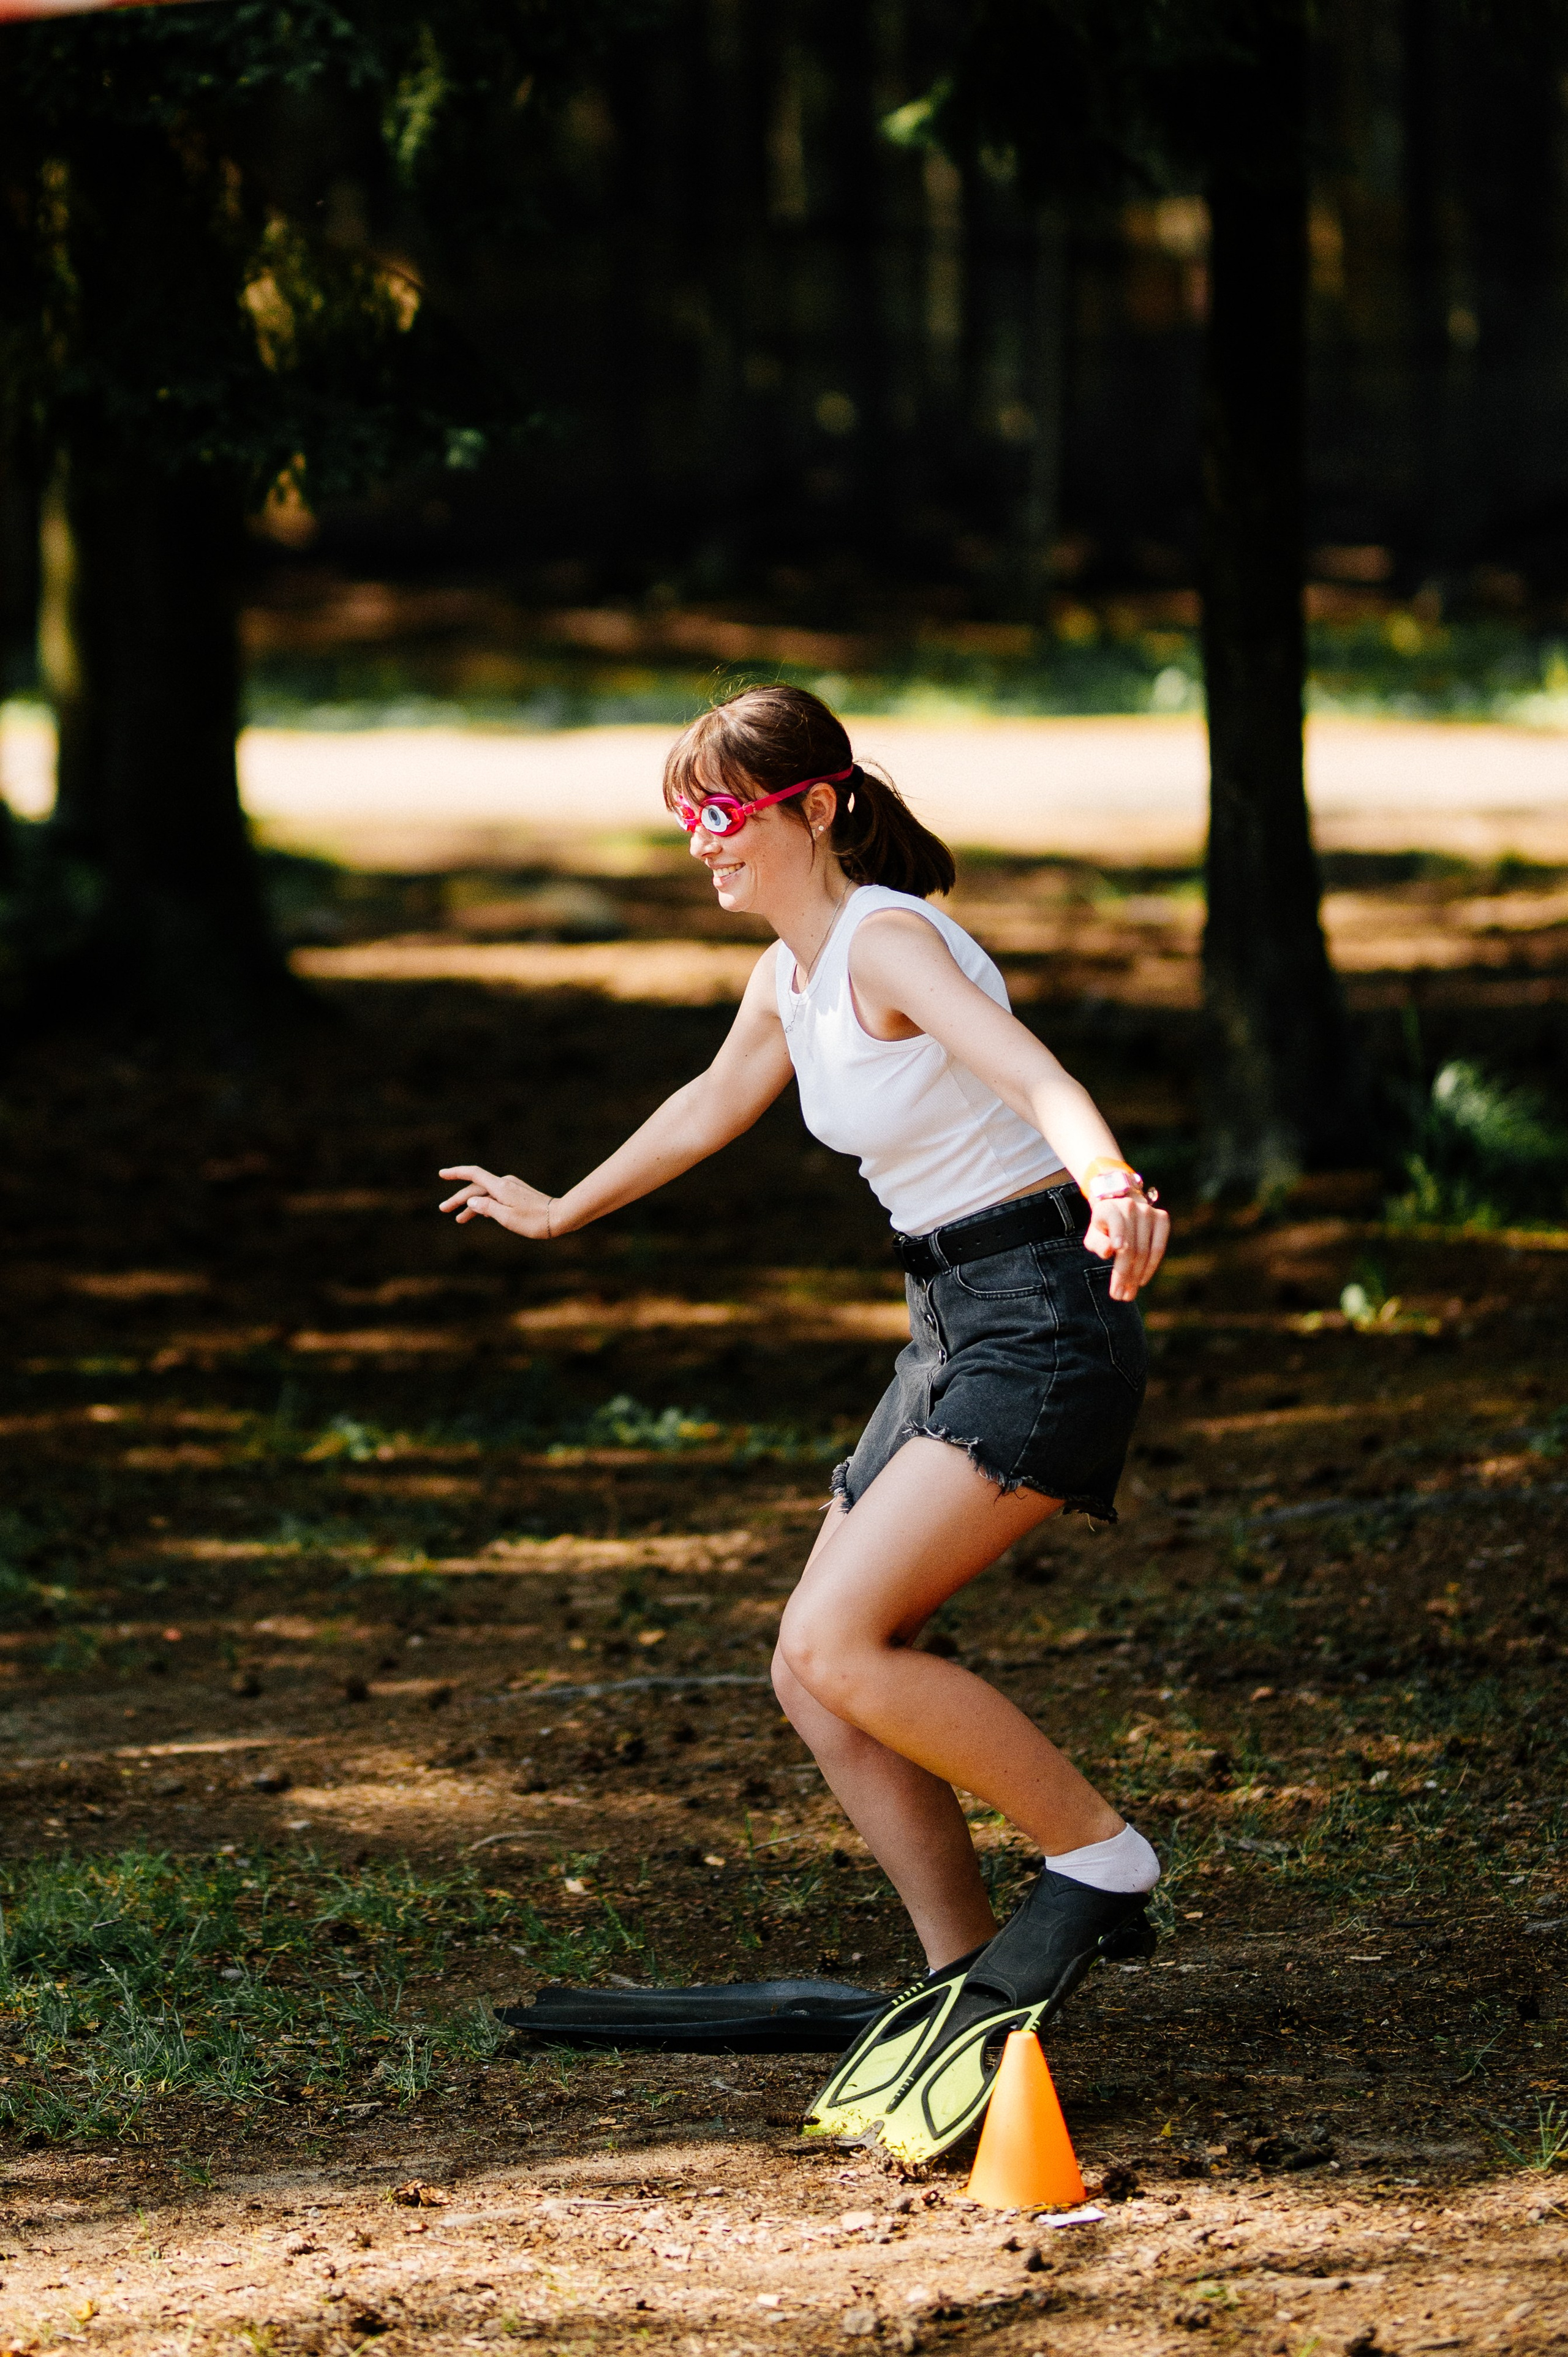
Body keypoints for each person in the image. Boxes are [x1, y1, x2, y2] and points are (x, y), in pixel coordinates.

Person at [439, 684, 1170, 2160]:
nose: (700, 846)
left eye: (719, 815)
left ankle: (1100, 1856)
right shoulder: (791, 973)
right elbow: (711, 1102)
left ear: (812, 808)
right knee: (808, 1668)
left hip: (1040, 1306)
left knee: (846, 1641)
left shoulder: (888, 936)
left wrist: (1109, 1181)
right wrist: (562, 1208)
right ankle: (964, 1977)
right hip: (953, 1320)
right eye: (684, 822)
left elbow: (1028, 1070)